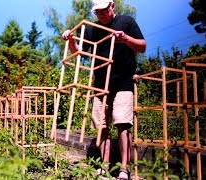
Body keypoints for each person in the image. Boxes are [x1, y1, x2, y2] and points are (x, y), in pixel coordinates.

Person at [62, 0, 146, 179]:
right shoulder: (92, 29)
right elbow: (79, 51)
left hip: (123, 81)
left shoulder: (127, 22)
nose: (100, 14)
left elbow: (142, 46)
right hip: (100, 83)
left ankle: (124, 169)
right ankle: (104, 167)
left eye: (103, 10)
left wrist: (126, 39)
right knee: (102, 127)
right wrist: (70, 39)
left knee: (122, 124)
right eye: (97, 12)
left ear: (112, 6)